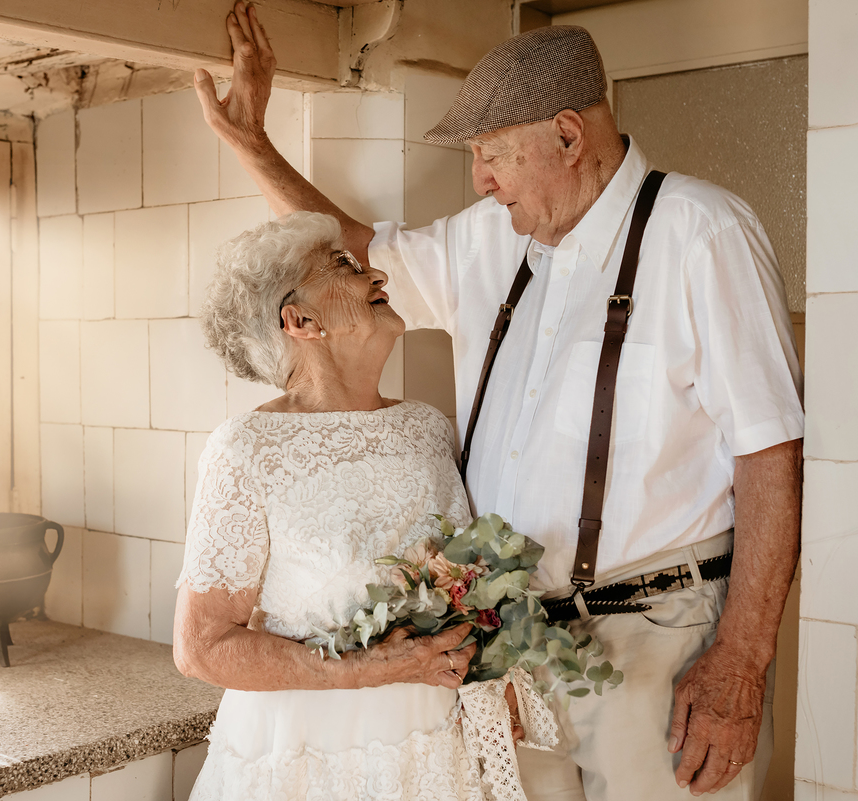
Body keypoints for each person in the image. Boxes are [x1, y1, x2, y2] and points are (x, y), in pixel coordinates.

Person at [192, 5, 804, 801]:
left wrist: (742, 658)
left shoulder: (703, 234)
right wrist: (252, 144)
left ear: (567, 136)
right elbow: (352, 258)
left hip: (659, 640)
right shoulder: (492, 237)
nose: (481, 179)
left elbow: (773, 453)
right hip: (516, 652)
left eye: (492, 155)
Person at [173, 212, 556, 800]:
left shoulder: (426, 429)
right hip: (304, 756)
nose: (375, 274)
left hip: (432, 748)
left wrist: (495, 662)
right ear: (299, 321)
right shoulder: (246, 449)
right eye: (342, 266)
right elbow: (201, 648)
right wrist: (372, 669)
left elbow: (468, 583)